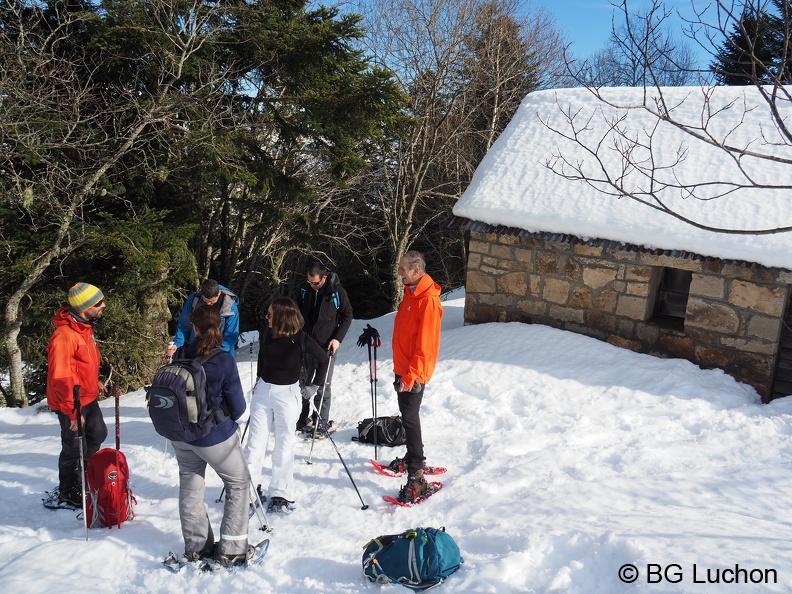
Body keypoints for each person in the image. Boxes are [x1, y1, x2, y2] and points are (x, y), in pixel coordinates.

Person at [170, 305, 252, 567]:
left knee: (191, 483)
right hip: (212, 437)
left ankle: (197, 547)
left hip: (181, 434)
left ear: (193, 327)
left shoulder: (181, 353)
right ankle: (232, 549)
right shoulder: (223, 359)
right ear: (220, 326)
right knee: (238, 483)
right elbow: (238, 407)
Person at [246, 297, 328, 512]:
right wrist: (258, 380)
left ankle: (280, 491)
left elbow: (323, 360)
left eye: (271, 314)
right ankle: (247, 491)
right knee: (255, 442)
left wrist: (314, 386)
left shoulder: (301, 339)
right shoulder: (266, 332)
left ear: (282, 317)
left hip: (287, 394)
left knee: (284, 443)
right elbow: (263, 356)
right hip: (264, 391)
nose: (267, 317)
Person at [46, 282, 109, 507]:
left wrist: (94, 380)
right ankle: (68, 491)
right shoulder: (64, 336)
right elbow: (60, 377)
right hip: (70, 401)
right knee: (73, 446)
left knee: (98, 434)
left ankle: (84, 476)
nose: (104, 305)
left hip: (87, 395)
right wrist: (72, 412)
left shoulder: (84, 327)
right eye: (99, 303)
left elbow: (82, 363)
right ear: (84, 307)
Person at [390, 251, 443, 503]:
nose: (399, 271)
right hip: (403, 369)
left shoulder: (428, 300)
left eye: (403, 268)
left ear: (416, 270)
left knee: (410, 418)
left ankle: (417, 473)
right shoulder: (410, 293)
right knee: (406, 416)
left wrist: (411, 376)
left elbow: (426, 345)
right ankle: (413, 457)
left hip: (414, 373)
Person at [295, 261, 353, 436]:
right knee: (303, 382)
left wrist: (337, 338)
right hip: (306, 344)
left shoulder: (336, 292)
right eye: (309, 282)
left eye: (315, 283)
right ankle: (303, 417)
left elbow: (348, 315)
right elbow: (296, 313)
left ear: (324, 277)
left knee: (322, 384)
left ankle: (321, 420)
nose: (312, 285)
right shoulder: (304, 290)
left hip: (326, 345)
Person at [166, 279, 240, 357]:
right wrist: (177, 344)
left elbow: (231, 334)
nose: (208, 304)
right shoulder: (194, 299)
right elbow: (183, 324)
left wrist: (217, 352)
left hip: (220, 353)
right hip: (195, 350)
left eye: (212, 301)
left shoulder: (230, 307)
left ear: (219, 293)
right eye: (205, 301)